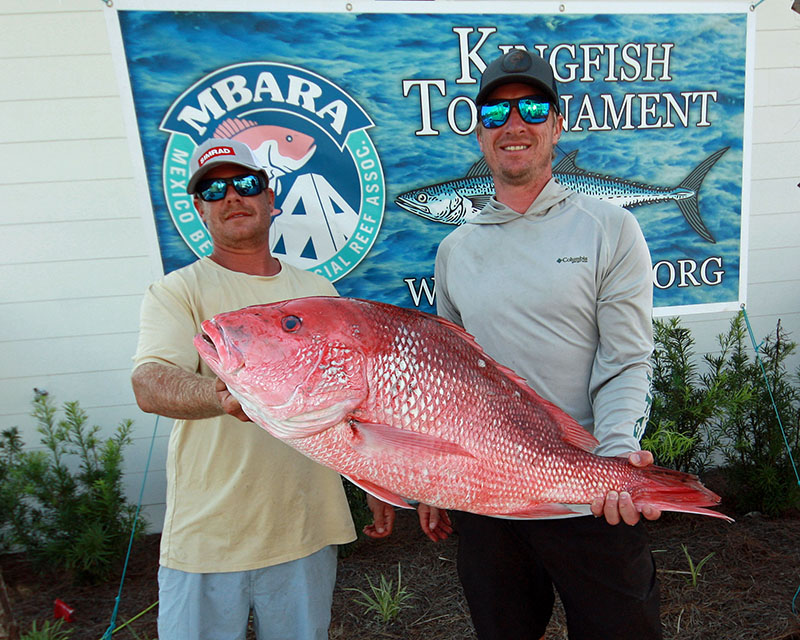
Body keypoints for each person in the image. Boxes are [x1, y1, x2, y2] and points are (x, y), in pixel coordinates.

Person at [417, 49, 663, 639]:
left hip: (589, 489)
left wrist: (616, 457)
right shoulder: (454, 250)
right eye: (495, 112)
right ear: (479, 132)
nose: (514, 124)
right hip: (488, 496)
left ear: (556, 124)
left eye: (532, 108)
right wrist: (429, 477)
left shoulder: (611, 227)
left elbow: (626, 359)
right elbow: (448, 382)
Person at [131, 138, 356, 640]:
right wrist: (218, 396)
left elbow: (351, 403)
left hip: (307, 529)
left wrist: (371, 479)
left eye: (245, 184)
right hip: (209, 537)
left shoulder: (319, 293)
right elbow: (149, 382)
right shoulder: (178, 291)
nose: (232, 196)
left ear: (269, 197)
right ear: (199, 208)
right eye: (214, 190)